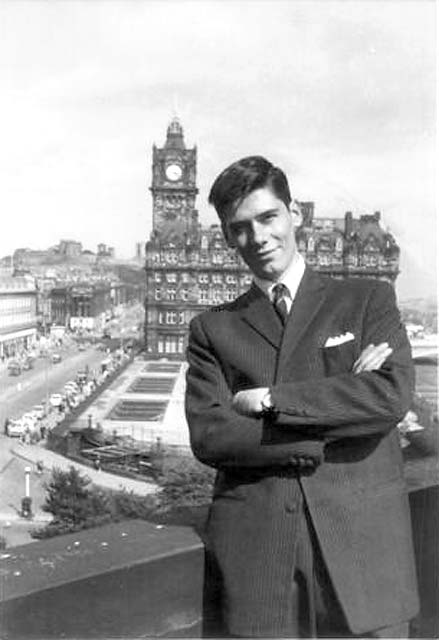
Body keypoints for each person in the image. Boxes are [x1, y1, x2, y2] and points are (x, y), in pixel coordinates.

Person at [185, 156, 419, 638]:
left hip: (364, 551)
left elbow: (389, 396)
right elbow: (211, 436)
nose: (260, 237)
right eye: (241, 228)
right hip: (261, 558)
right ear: (228, 238)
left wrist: (270, 401)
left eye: (269, 217)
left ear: (295, 215)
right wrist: (327, 426)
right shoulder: (213, 328)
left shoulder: (366, 299)